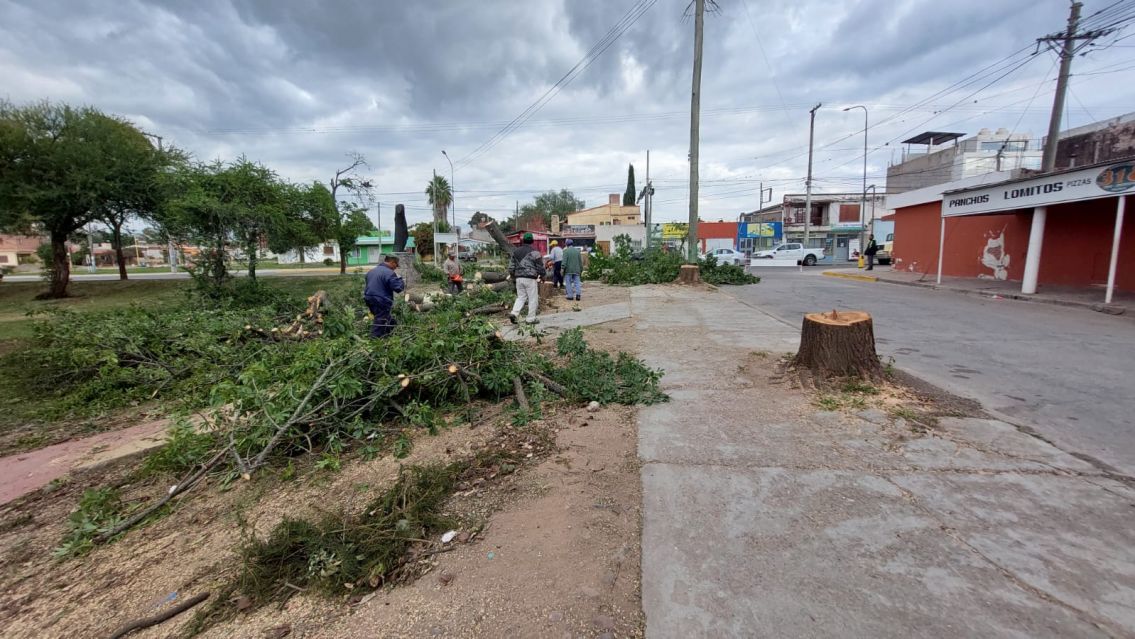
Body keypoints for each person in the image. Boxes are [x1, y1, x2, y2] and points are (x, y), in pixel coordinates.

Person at [363, 255, 405, 338]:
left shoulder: (371, 271)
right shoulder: (389, 273)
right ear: (392, 262)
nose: (396, 268)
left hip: (368, 297)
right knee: (380, 319)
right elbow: (398, 288)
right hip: (381, 299)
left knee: (383, 317)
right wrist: (400, 279)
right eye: (396, 265)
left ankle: (389, 332)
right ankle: (373, 340)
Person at [509, 232, 546, 324]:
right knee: (532, 298)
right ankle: (531, 319)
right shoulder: (535, 253)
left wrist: (514, 276)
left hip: (518, 278)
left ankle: (514, 313)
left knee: (521, 297)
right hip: (530, 278)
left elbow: (511, 267)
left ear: (523, 240)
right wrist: (542, 276)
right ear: (532, 241)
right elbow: (540, 267)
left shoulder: (515, 252)